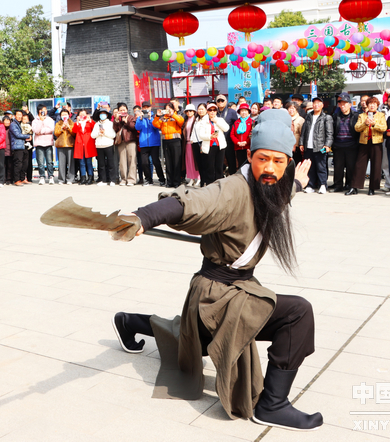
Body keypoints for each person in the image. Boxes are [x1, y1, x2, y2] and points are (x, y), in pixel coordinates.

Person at [111, 110, 321, 431]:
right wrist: (143, 217)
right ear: (249, 156)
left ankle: (129, 322)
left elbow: (277, 198)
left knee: (190, 335)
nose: (270, 168)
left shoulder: (272, 185)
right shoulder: (233, 189)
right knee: (298, 314)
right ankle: (273, 404)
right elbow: (190, 202)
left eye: (280, 162)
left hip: (229, 290)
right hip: (217, 295)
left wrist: (300, 184)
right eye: (263, 159)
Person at [350, 97, 387, 196]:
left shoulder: (381, 115)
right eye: (370, 103)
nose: (372, 105)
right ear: (367, 105)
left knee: (376, 166)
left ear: (377, 105)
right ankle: (355, 187)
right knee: (359, 166)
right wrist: (365, 124)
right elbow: (357, 128)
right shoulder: (362, 116)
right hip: (364, 142)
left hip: (376, 143)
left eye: (374, 104)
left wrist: (375, 124)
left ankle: (372, 188)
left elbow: (384, 128)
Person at [299, 96, 333, 194]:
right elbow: (303, 132)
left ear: (322, 105)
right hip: (308, 146)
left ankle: (323, 185)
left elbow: (330, 133)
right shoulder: (308, 116)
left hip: (320, 147)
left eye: (318, 103)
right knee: (310, 167)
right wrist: (301, 143)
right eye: (314, 103)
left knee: (321, 166)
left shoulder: (326, 117)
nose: (316, 105)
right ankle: (310, 185)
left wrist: (327, 145)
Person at [196, 103, 229, 186]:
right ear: (207, 111)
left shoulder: (220, 120)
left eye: (214, 110)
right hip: (209, 146)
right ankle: (210, 185)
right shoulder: (203, 121)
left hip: (220, 146)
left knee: (219, 167)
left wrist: (216, 121)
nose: (212, 112)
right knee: (210, 167)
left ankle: (219, 185)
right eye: (210, 110)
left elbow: (226, 128)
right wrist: (210, 136)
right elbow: (201, 135)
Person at [331, 93, 360, 193]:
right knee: (338, 167)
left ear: (350, 105)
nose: (342, 106)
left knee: (351, 167)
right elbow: (332, 130)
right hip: (338, 145)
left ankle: (350, 185)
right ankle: (338, 185)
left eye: (345, 104)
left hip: (352, 145)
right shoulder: (335, 116)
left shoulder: (356, 116)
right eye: (341, 104)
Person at [153, 103, 184, 187]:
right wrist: (157, 116)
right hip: (166, 141)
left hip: (175, 140)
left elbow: (181, 122)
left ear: (173, 109)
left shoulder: (177, 116)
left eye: (169, 109)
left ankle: (177, 182)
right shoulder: (163, 118)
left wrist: (172, 114)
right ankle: (169, 182)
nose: (167, 111)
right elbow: (156, 125)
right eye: (166, 109)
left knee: (176, 161)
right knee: (168, 162)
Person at [135, 102, 164, 186]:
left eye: (147, 107)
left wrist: (150, 118)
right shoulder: (140, 118)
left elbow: (156, 126)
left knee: (156, 162)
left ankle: (162, 179)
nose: (146, 109)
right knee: (144, 163)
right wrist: (140, 119)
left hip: (154, 143)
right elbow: (137, 128)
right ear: (142, 108)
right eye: (144, 107)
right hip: (144, 143)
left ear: (151, 108)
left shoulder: (155, 116)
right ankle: (148, 179)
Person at [114, 103, 138, 186]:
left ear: (127, 110)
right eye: (121, 110)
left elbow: (134, 127)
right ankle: (123, 179)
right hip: (121, 142)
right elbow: (115, 129)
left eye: (124, 110)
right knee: (122, 161)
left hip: (131, 141)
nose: (122, 111)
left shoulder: (131, 117)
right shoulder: (118, 119)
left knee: (132, 160)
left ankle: (131, 179)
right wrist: (117, 120)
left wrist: (126, 121)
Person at [92, 108, 118, 186]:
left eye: (104, 114)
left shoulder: (110, 123)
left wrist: (105, 133)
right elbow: (92, 135)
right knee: (101, 164)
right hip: (99, 146)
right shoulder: (96, 124)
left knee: (111, 163)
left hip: (108, 145)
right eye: (100, 114)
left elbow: (113, 135)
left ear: (106, 115)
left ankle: (112, 180)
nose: (102, 115)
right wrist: (99, 133)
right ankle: (103, 180)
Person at [32, 104, 56, 184]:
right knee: (40, 162)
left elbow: (51, 129)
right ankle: (42, 176)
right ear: (39, 111)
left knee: (49, 161)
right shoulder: (35, 120)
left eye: (46, 109)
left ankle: (51, 176)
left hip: (48, 142)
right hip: (39, 143)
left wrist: (41, 131)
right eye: (44, 109)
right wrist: (41, 122)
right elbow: (36, 130)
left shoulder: (50, 119)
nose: (45, 111)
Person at [216, 95, 239, 176]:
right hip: (218, 140)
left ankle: (232, 175)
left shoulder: (232, 112)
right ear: (216, 103)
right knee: (219, 160)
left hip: (229, 139)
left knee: (231, 159)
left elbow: (236, 124)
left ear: (226, 102)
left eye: (222, 100)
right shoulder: (214, 112)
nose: (220, 102)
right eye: (218, 101)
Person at [73, 109, 97, 185]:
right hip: (80, 144)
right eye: (81, 114)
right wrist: (77, 122)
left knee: (89, 162)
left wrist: (90, 120)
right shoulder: (77, 123)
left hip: (88, 144)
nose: (82, 116)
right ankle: (83, 177)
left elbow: (94, 128)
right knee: (82, 163)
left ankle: (90, 177)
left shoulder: (89, 122)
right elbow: (74, 131)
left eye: (84, 114)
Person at [9, 109, 31, 186]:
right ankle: (17, 179)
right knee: (18, 164)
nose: (19, 116)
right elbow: (17, 135)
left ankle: (22, 178)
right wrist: (28, 136)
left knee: (24, 163)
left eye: (20, 115)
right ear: (15, 116)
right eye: (18, 115)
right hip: (17, 146)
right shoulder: (13, 124)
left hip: (23, 146)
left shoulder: (19, 123)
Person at [54, 108, 76, 184]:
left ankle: (70, 179)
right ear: (60, 116)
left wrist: (69, 127)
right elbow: (56, 133)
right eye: (62, 114)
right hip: (61, 145)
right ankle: (61, 179)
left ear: (69, 115)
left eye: (65, 114)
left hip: (70, 144)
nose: (64, 116)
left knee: (71, 163)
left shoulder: (72, 123)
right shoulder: (58, 123)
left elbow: (74, 133)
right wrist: (61, 127)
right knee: (61, 163)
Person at [181, 103, 201, 187]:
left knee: (196, 161)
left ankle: (199, 178)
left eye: (190, 111)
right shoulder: (185, 120)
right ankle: (191, 178)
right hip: (187, 144)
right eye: (187, 111)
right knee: (189, 162)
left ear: (194, 112)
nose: (189, 112)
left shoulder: (196, 120)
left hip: (195, 143)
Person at [230, 103, 253, 170]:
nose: (244, 112)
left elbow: (252, 134)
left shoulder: (252, 122)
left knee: (249, 164)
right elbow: (232, 134)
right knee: (240, 164)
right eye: (242, 111)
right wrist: (238, 142)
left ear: (248, 112)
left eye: (245, 110)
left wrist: (246, 142)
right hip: (238, 147)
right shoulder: (236, 122)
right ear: (239, 112)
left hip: (248, 147)